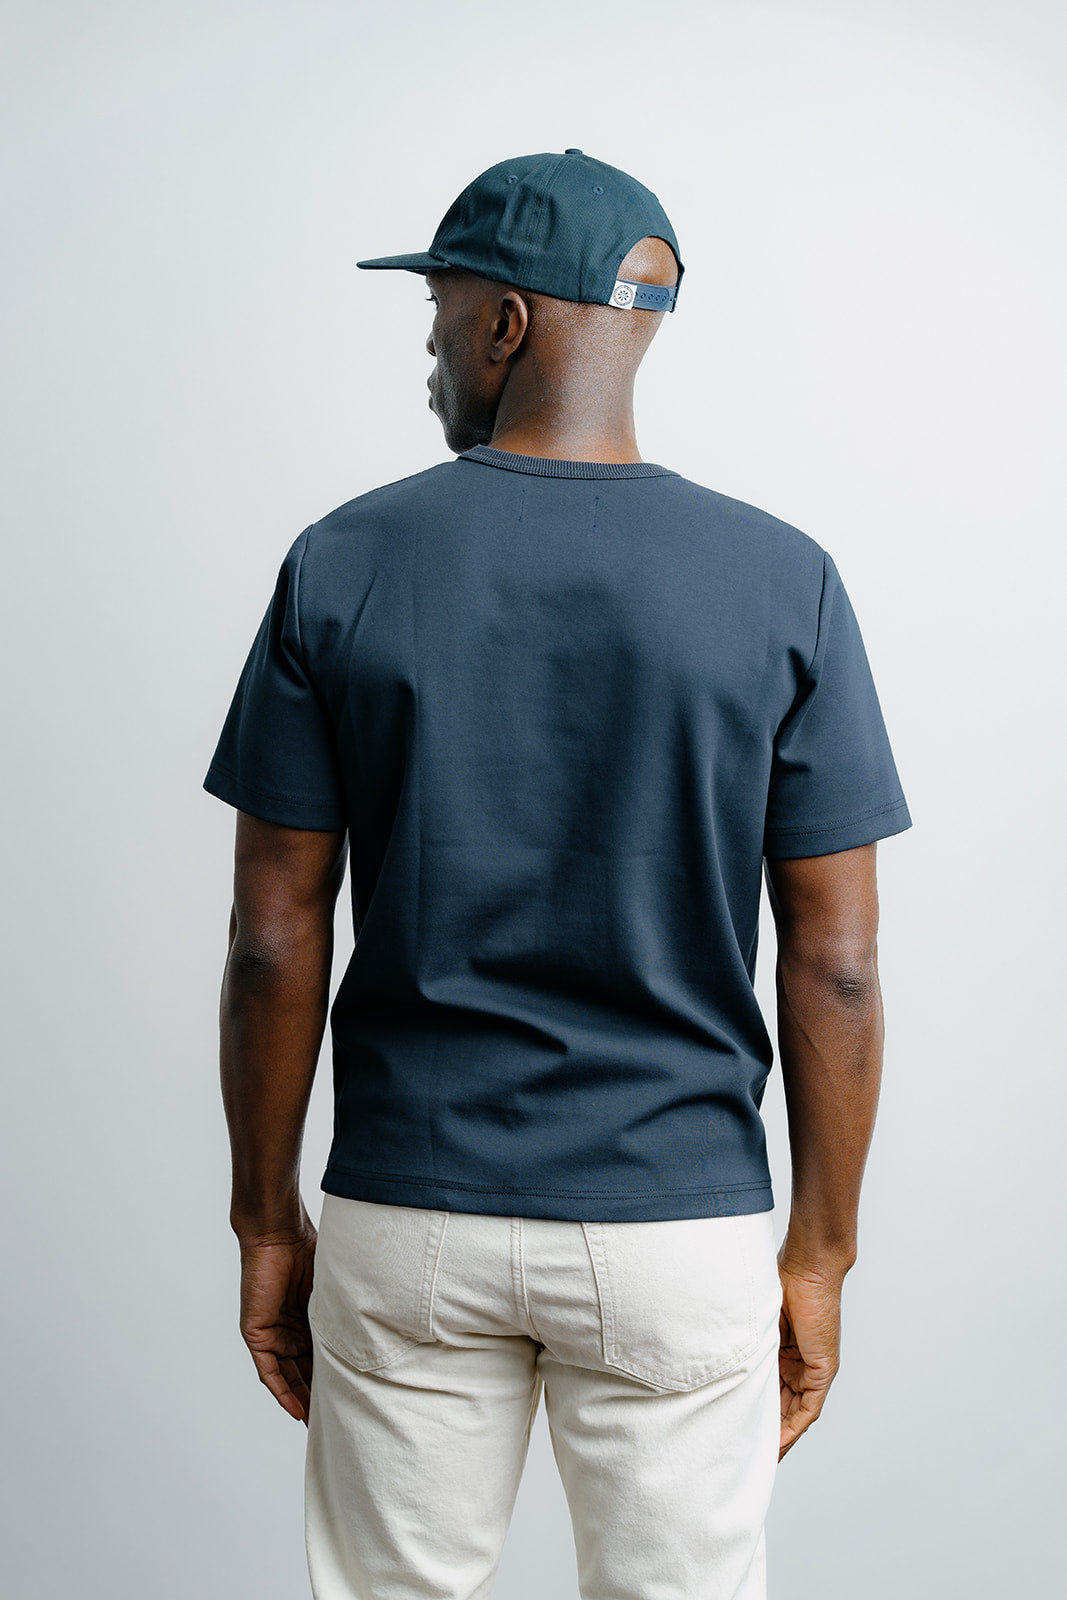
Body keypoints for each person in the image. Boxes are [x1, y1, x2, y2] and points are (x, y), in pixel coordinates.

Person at [203, 148, 911, 1600]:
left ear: (509, 324)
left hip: (413, 1211)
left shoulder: (344, 564)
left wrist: (267, 1218)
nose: (429, 348)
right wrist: (820, 1253)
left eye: (443, 311)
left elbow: (275, 938)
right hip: (678, 1218)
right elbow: (835, 957)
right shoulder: (788, 581)